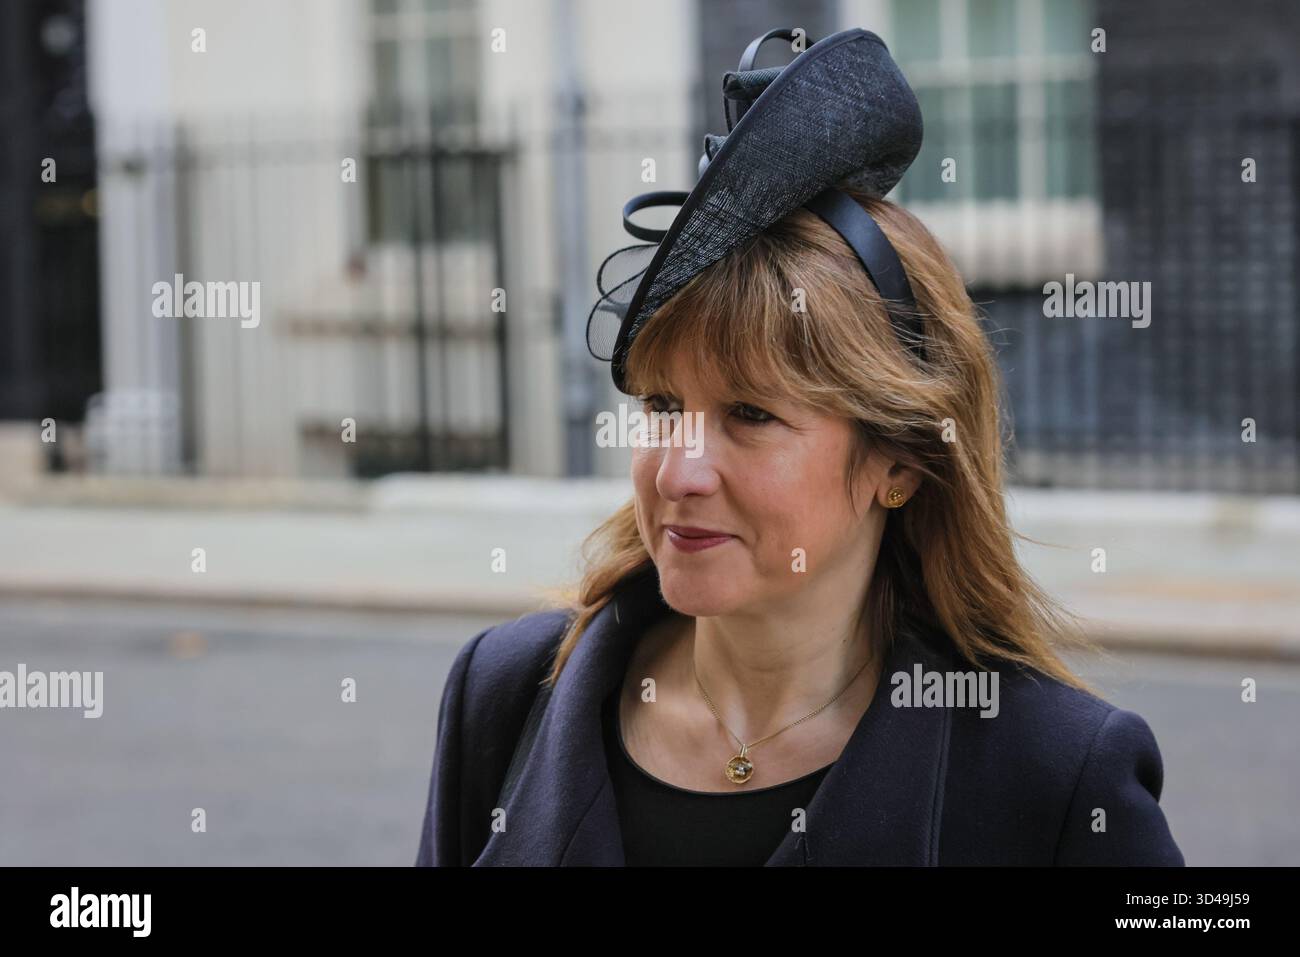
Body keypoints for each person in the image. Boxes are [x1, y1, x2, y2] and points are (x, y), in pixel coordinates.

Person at [416, 26, 1184, 867]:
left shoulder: (1053, 775)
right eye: (664, 404)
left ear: (899, 461)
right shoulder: (505, 695)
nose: (680, 470)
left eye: (750, 414)